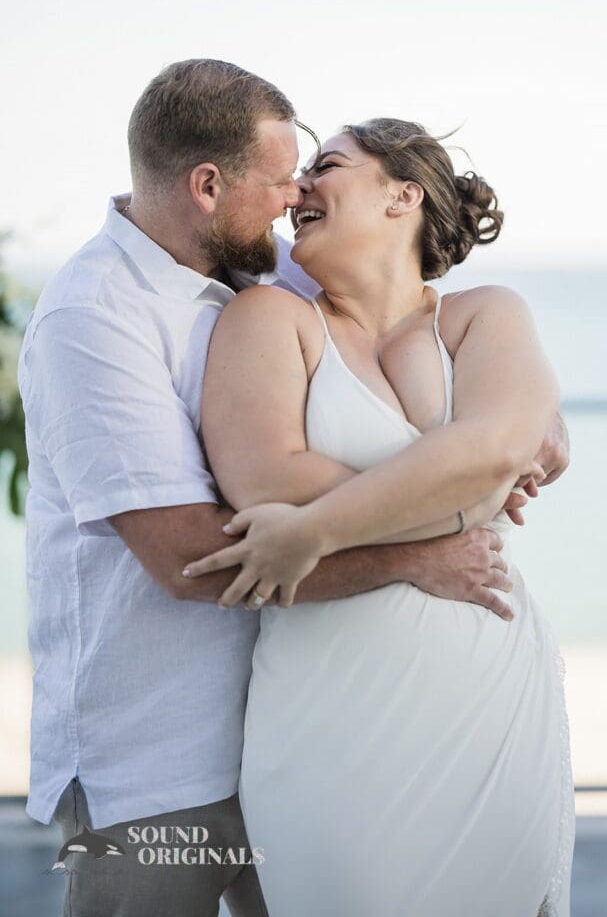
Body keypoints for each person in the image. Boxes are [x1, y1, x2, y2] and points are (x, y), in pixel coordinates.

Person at [17, 61, 566, 917]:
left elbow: (404, 305)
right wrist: (425, 544)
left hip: (296, 722)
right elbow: (192, 558)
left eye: (312, 175)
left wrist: (531, 415)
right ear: (206, 186)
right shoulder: (95, 319)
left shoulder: (267, 269)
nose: (291, 198)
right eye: (281, 181)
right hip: (160, 762)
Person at [185, 119, 575, 916]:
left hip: (490, 704)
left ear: (404, 194)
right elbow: (264, 477)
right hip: (330, 717)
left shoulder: (483, 315)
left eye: (325, 167)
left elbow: (499, 444)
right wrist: (464, 491)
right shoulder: (269, 319)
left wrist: (315, 530)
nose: (297, 192)